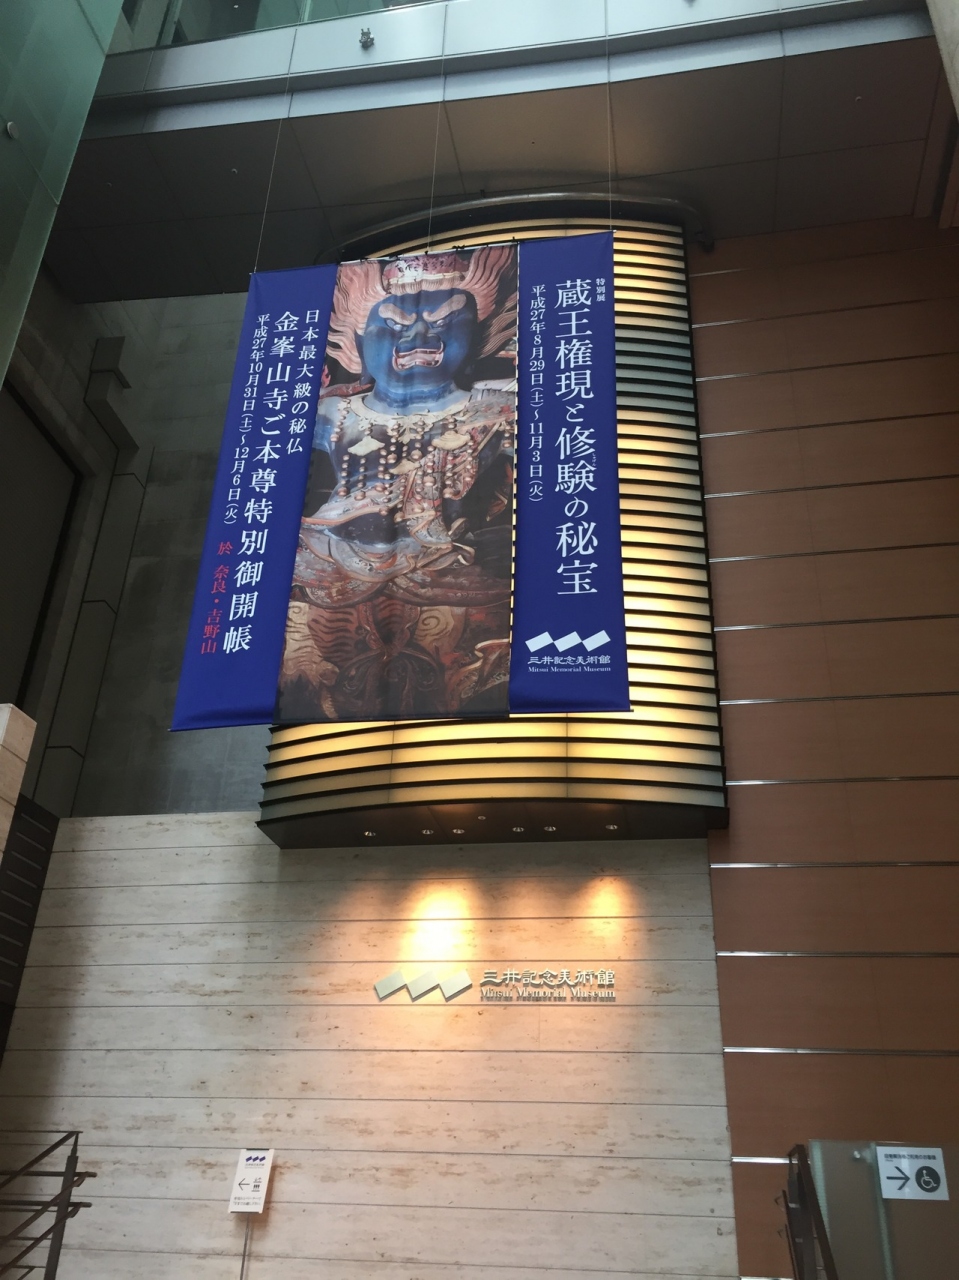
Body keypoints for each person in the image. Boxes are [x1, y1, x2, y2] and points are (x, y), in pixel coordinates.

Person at [277, 246, 517, 722]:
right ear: (358, 340)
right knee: (304, 674)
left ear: (476, 333)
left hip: (446, 565)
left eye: (446, 321)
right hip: (324, 563)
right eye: (393, 325)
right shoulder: (330, 412)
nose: (419, 336)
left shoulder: (498, 409)